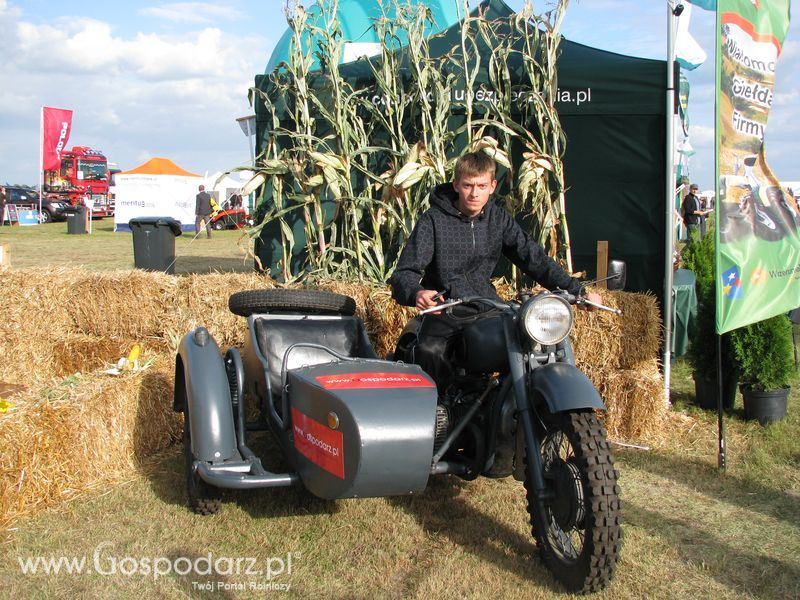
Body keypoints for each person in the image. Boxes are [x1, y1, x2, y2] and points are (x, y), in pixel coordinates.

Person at [389, 151, 601, 385]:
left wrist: (577, 292)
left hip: (490, 307)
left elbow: (533, 258)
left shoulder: (498, 219)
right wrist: (417, 293)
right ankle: (438, 413)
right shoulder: (433, 220)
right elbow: (404, 273)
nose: (474, 193)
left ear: (492, 186)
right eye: (468, 185)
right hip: (447, 309)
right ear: (456, 184)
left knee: (532, 344)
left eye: (481, 185)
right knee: (429, 351)